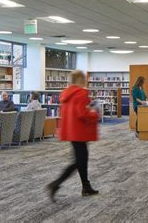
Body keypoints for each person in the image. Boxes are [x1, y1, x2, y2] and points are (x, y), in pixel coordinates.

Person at [47, 70, 99, 202]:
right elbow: (82, 113)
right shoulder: (81, 93)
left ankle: (86, 187)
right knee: (79, 161)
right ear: (81, 80)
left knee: (82, 160)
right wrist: (94, 112)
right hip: (80, 131)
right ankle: (56, 184)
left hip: (71, 131)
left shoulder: (66, 94)